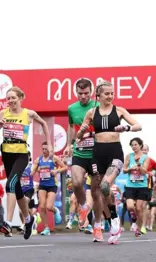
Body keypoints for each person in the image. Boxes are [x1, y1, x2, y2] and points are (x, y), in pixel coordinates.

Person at [77, 81, 142, 244]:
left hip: (115, 153)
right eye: (107, 93)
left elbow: (138, 125)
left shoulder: (119, 111)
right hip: (97, 154)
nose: (110, 96)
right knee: (97, 191)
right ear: (98, 96)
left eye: (112, 93)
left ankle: (114, 220)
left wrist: (126, 128)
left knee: (106, 185)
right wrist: (82, 130)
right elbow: (78, 136)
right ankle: (110, 219)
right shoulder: (91, 113)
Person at [0, 86, 52, 240]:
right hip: (7, 153)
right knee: (17, 190)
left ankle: (8, 222)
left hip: (21, 154)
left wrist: (49, 144)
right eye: (8, 98)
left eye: (13, 98)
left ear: (20, 98)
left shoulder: (28, 114)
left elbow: (43, 124)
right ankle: (28, 219)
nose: (10, 101)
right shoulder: (3, 113)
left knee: (10, 184)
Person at [63, 78, 97, 227]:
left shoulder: (97, 106)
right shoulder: (72, 108)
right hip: (80, 151)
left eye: (86, 93)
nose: (83, 96)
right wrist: (69, 145)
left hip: (96, 153)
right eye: (80, 93)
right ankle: (83, 208)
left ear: (91, 92)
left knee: (97, 191)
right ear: (76, 92)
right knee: (76, 184)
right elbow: (71, 127)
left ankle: (101, 221)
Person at [31, 141, 67, 235]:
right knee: (42, 207)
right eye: (43, 149)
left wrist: (57, 171)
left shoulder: (54, 158)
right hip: (42, 184)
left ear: (50, 149)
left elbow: (65, 167)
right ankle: (46, 228)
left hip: (52, 185)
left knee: (49, 206)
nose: (44, 151)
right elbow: (32, 171)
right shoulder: (38, 160)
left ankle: (56, 210)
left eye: (46, 149)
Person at [122, 137, 150, 237]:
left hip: (142, 185)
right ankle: (133, 216)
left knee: (139, 208)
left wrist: (139, 165)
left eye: (136, 145)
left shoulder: (146, 158)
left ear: (140, 145)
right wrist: (130, 169)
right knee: (130, 206)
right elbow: (124, 170)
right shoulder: (129, 156)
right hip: (130, 185)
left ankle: (139, 228)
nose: (134, 147)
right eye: (132, 145)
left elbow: (144, 171)